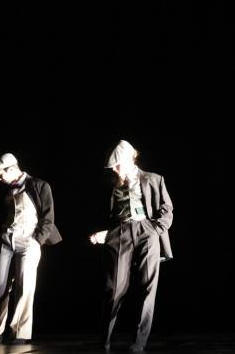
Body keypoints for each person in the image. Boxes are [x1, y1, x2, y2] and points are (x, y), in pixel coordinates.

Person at [89, 140, 173, 352]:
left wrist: (155, 229)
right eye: (113, 166)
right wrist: (105, 234)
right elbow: (103, 213)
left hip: (147, 231)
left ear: (130, 159)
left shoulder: (153, 179)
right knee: (114, 288)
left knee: (148, 288)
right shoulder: (111, 184)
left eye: (117, 165)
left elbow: (167, 208)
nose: (115, 169)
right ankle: (104, 340)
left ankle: (139, 342)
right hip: (120, 232)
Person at [0, 153, 62, 345]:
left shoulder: (39, 185)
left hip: (28, 240)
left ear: (11, 169)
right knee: (0, 286)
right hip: (6, 240)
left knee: (25, 286)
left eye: (0, 174)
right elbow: (0, 214)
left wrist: (37, 240)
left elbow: (48, 218)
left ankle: (19, 332)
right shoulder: (5, 190)